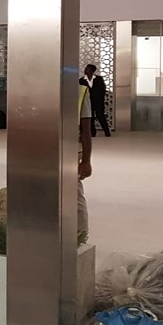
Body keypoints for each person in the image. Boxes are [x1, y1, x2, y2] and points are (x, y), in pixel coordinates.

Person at [78, 77, 93, 236]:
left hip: (71, 152)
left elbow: (86, 129)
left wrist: (86, 160)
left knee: (73, 192)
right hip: (42, 150)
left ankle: (80, 234)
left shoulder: (81, 92)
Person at [82, 64, 111, 137]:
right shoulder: (81, 80)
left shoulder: (99, 79)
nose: (86, 70)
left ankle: (107, 131)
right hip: (88, 101)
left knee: (100, 115)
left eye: (88, 69)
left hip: (98, 101)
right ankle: (92, 132)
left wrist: (100, 97)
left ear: (92, 71)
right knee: (90, 116)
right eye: (86, 69)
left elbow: (103, 89)